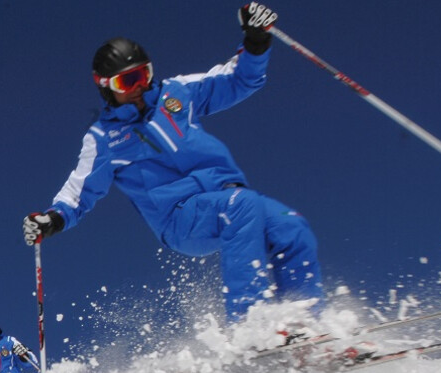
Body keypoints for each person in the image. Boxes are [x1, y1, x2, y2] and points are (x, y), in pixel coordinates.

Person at [23, 3, 323, 323]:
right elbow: (78, 192)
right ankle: (251, 325)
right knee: (242, 205)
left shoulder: (176, 93)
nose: (139, 87)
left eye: (143, 75)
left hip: (226, 196)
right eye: (127, 82)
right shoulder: (103, 138)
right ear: (105, 87)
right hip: (180, 219)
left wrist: (255, 41)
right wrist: (51, 220)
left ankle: (304, 322)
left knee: (292, 226)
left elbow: (238, 80)